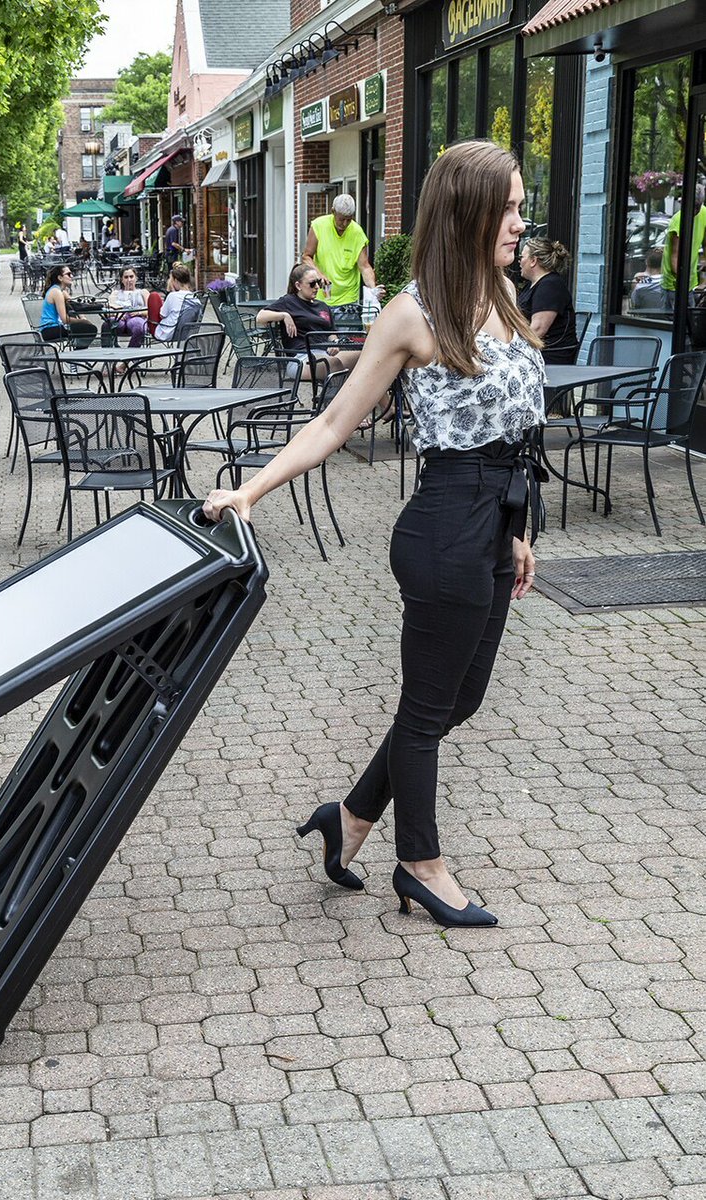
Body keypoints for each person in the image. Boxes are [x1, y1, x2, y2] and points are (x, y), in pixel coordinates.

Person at [203, 140, 546, 928]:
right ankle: (420, 865)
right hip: (443, 528)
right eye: (507, 209)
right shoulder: (411, 312)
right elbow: (332, 422)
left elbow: (512, 433)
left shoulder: (503, 293)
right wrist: (251, 490)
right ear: (465, 212)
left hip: (494, 523)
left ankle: (351, 815)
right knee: (425, 713)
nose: (517, 224)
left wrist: (518, 533)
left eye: (520, 208)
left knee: (460, 698)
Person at [255, 263, 362, 381]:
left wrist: (334, 343)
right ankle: (336, 392)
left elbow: (331, 333)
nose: (317, 287)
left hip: (326, 354)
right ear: (298, 285)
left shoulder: (323, 306)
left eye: (318, 282)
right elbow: (260, 317)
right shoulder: (289, 301)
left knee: (364, 358)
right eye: (312, 283)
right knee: (333, 364)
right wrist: (284, 315)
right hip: (300, 359)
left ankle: (344, 390)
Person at [302, 194, 383, 324]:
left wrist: (373, 289)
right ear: (333, 211)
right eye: (341, 219)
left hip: (348, 302)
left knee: (346, 336)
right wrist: (319, 274)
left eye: (349, 220)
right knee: (322, 336)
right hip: (321, 299)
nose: (344, 224)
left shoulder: (357, 233)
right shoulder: (318, 226)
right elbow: (306, 256)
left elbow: (364, 267)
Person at [517, 237, 577, 364]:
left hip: (549, 357)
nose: (519, 261)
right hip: (535, 354)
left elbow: (538, 330)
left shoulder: (550, 285)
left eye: (522, 257)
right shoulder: (532, 285)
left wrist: (511, 350)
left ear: (533, 261)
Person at [660, 183, 706, 311]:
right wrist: (683, 279)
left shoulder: (704, 213)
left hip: (689, 281)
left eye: (697, 206)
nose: (694, 211)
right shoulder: (678, 220)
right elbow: (675, 257)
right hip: (673, 284)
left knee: (689, 319)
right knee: (674, 319)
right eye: (692, 206)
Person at [38, 262, 97, 345]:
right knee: (90, 329)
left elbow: (74, 305)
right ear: (60, 278)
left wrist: (82, 316)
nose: (71, 276)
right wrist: (83, 322)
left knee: (87, 328)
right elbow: (65, 319)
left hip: (53, 328)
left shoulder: (61, 291)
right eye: (68, 274)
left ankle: (78, 349)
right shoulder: (56, 292)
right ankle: (79, 351)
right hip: (50, 330)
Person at [104, 265, 149, 347]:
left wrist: (139, 312)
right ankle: (108, 352)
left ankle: (131, 351)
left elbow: (151, 310)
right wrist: (117, 313)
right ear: (122, 279)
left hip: (136, 317)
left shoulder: (143, 292)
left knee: (139, 326)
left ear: (136, 278)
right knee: (107, 324)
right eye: (126, 277)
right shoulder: (115, 293)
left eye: (131, 277)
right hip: (119, 318)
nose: (129, 280)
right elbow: (108, 308)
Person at [153, 261, 197, 342]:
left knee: (153, 298)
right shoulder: (195, 298)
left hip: (168, 333)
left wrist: (172, 290)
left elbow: (162, 315)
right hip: (187, 334)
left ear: (176, 280)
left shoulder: (172, 296)